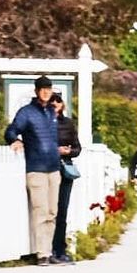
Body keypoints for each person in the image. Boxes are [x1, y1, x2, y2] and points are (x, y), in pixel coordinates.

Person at [4, 75, 65, 265]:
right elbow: (12, 129)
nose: (46, 92)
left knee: (53, 211)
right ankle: (42, 253)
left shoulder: (51, 113)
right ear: (37, 91)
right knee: (41, 211)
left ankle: (50, 249)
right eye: (43, 89)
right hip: (36, 167)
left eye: (49, 89)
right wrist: (14, 140)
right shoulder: (27, 112)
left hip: (53, 168)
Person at [49, 94, 82, 262]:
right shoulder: (44, 122)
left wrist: (69, 151)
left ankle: (60, 249)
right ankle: (47, 249)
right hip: (47, 167)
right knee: (49, 210)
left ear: (62, 105)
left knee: (62, 210)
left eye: (58, 101)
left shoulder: (68, 123)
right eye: (52, 101)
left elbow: (77, 148)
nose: (55, 104)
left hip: (64, 167)